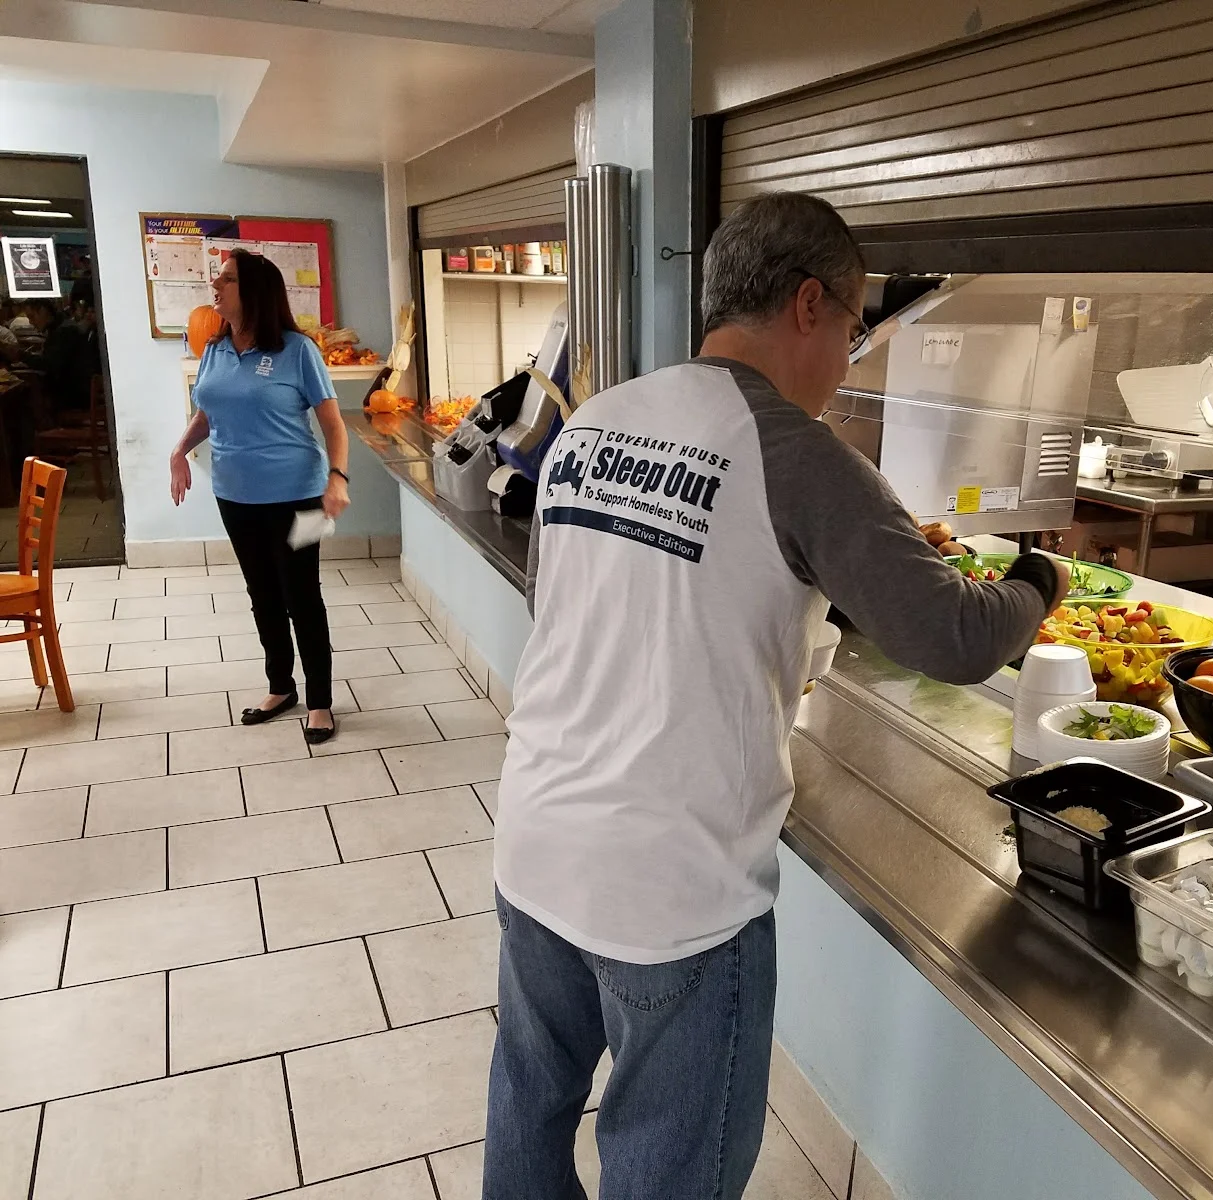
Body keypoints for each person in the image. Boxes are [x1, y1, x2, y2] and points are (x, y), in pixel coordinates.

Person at [485, 192, 1074, 1199]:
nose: (847, 359)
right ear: (809, 305)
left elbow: (572, 601)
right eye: (851, 330)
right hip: (673, 889)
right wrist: (1039, 581)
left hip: (536, 841)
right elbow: (957, 635)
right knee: (666, 1173)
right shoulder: (796, 453)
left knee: (529, 1117)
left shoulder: (596, 419)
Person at [168, 249, 350, 743]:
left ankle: (320, 701)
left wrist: (338, 477)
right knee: (262, 593)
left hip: (300, 496)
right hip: (234, 495)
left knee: (302, 596)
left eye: (226, 279)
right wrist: (179, 450)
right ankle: (280, 687)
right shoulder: (215, 349)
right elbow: (207, 413)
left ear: (254, 292)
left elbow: (334, 425)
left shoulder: (298, 350)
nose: (215, 286)